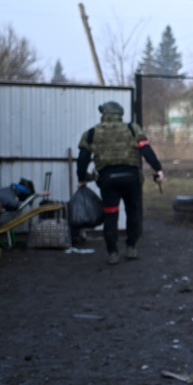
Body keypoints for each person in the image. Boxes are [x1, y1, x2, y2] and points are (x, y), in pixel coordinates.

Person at [76, 101, 165, 265]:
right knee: (133, 212)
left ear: (104, 115)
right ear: (120, 115)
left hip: (108, 180)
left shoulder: (91, 133)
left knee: (111, 214)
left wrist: (82, 179)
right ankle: (131, 247)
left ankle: (113, 252)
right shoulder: (132, 129)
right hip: (131, 178)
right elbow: (146, 149)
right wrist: (158, 169)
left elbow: (83, 158)